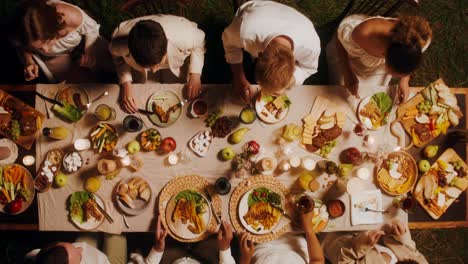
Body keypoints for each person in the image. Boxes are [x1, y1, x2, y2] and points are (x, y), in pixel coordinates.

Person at [222, 0, 321, 103]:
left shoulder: (311, 47)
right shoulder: (244, 32)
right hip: (254, 13)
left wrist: (290, 81)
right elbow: (230, 44)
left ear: (295, 62)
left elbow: (309, 69)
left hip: (297, 22)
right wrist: (239, 78)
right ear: (258, 54)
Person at [109, 15, 206, 113]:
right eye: (148, 67)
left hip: (175, 56)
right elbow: (118, 58)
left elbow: (200, 44)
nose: (153, 71)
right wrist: (126, 83)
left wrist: (195, 74)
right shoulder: (118, 44)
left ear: (165, 50)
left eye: (157, 65)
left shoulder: (186, 36)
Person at [326, 14, 432, 103]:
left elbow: (408, 57)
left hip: (375, 62)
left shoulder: (418, 41)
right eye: (395, 74)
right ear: (385, 55)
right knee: (342, 95)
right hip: (348, 54)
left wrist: (404, 81)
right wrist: (347, 73)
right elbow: (338, 39)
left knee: (374, 94)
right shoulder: (364, 34)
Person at [12, 0, 113, 83]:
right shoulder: (23, 33)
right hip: (56, 57)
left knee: (111, 64)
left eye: (46, 42)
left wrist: (89, 51)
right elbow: (22, 47)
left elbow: (92, 30)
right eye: (37, 48)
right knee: (74, 87)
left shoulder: (72, 17)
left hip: (83, 45)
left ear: (54, 30)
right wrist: (28, 61)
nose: (46, 50)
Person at [128, 215, 236, 264]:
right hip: (204, 259)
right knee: (215, 236)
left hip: (168, 258)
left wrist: (157, 250)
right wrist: (225, 248)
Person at [321, 219, 427, 263]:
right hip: (374, 223)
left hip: (335, 234)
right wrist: (403, 237)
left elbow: (340, 259)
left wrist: (363, 245)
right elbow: (413, 253)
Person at [238, 209, 325, 264]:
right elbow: (317, 260)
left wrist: (245, 258)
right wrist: (308, 228)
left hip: (258, 241)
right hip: (296, 235)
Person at [24, 233, 127, 264]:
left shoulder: (38, 256)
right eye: (79, 257)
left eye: (72, 245)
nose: (81, 249)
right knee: (117, 236)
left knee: (89, 232)